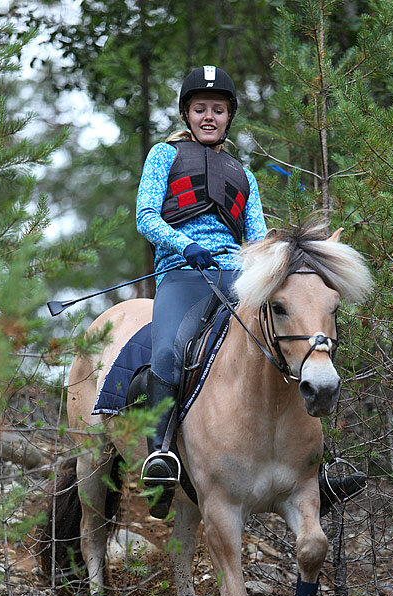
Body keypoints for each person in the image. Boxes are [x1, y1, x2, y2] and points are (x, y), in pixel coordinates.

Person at [136, 65, 268, 515]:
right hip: (182, 270)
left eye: (217, 109)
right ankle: (160, 453)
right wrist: (185, 244)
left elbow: (259, 237)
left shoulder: (244, 175)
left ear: (229, 115)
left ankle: (314, 461)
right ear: (186, 114)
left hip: (236, 274)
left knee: (290, 332)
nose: (208, 116)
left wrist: (266, 266)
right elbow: (146, 218)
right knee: (170, 351)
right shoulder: (163, 156)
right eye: (199, 109)